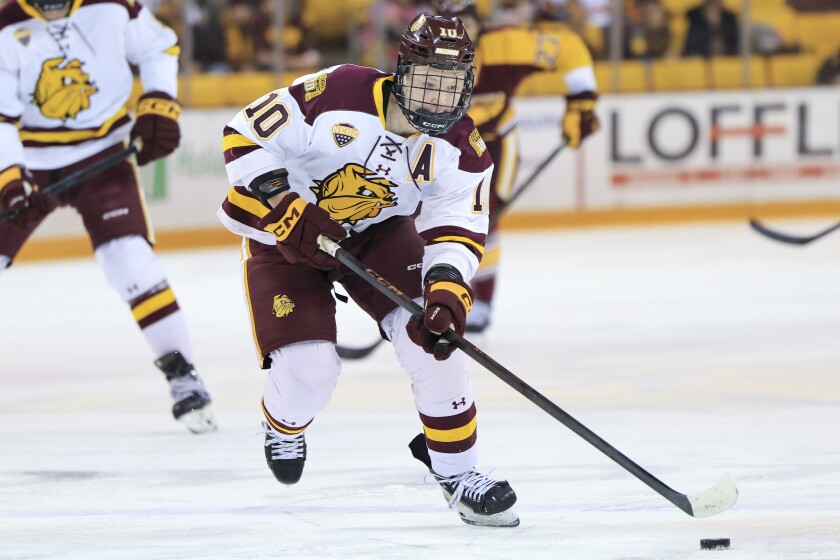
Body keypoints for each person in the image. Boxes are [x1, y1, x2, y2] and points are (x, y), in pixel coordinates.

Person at [218, 14, 519, 527]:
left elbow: (458, 229)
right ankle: (283, 425)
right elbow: (244, 134)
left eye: (451, 87)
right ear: (401, 72)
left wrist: (446, 289)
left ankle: (458, 473)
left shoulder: (462, 148)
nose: (437, 100)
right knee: (310, 374)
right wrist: (286, 205)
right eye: (427, 81)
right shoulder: (339, 90)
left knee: (432, 334)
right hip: (286, 233)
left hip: (377, 232)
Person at [0, 0, 216, 434]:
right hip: (30, 160)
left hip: (103, 152)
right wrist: (9, 175)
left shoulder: (115, 7)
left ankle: (183, 375)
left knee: (130, 261)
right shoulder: (6, 28)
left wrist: (159, 101)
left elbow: (160, 47)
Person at [434, 0, 600, 333]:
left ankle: (480, 301)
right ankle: (444, 293)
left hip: (497, 142)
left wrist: (580, 101)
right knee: (439, 221)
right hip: (448, 146)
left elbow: (568, 46)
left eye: (465, 21)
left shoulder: (509, 43)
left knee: (486, 220)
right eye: (453, 23)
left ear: (478, 20)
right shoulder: (430, 52)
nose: (461, 31)